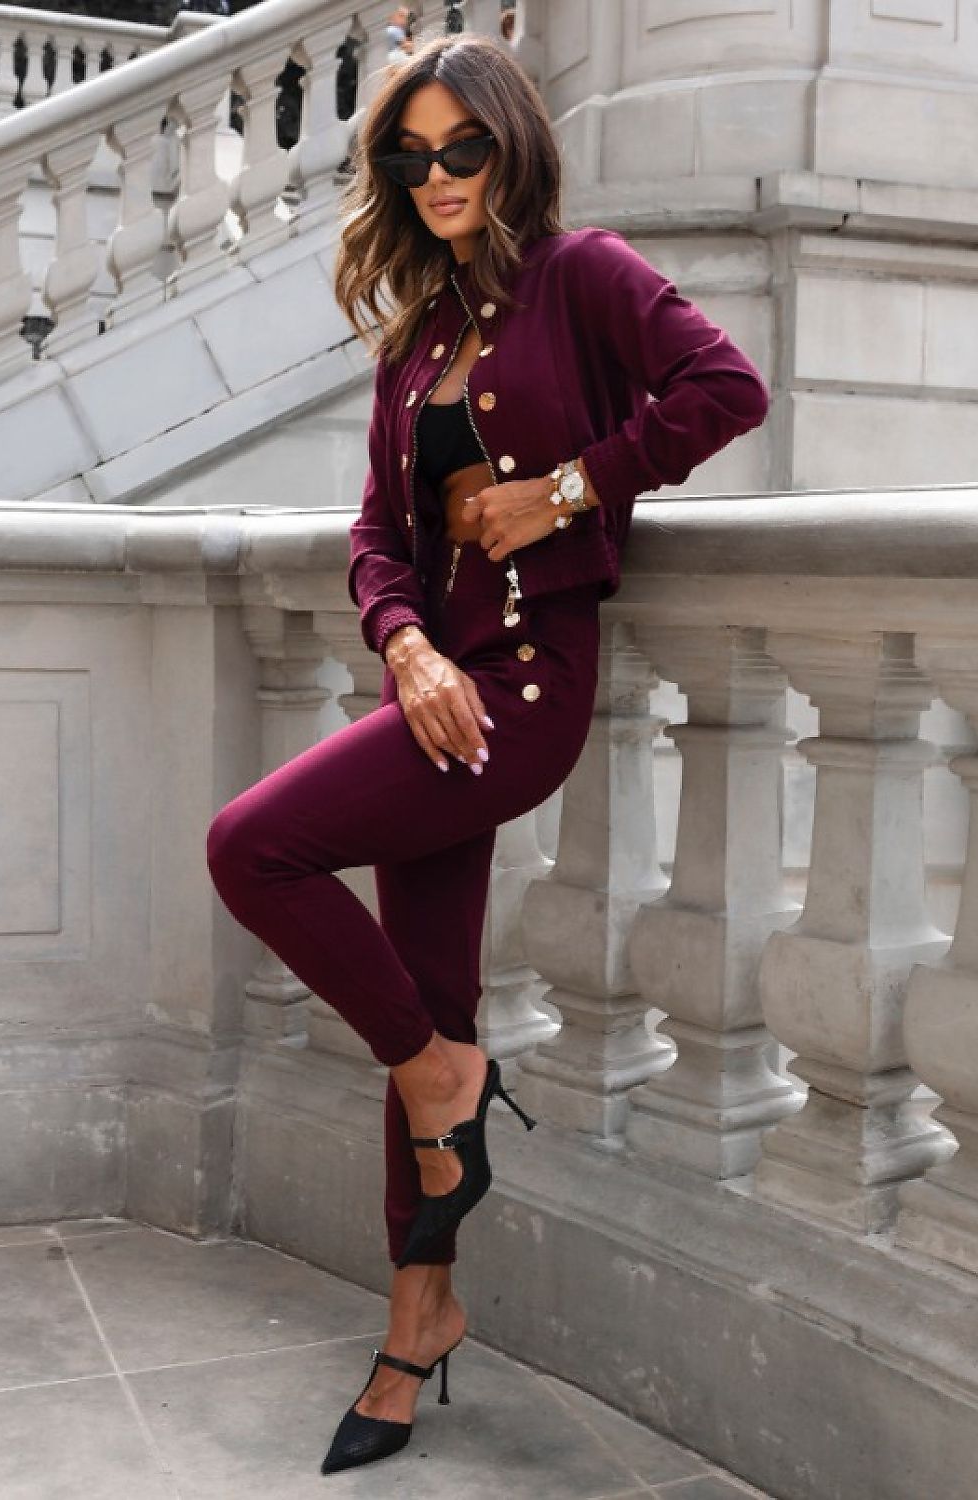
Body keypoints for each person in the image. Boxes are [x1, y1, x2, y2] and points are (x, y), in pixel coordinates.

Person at [205, 31, 769, 1478]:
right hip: (436, 690)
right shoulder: (417, 334)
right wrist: (402, 641)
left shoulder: (582, 277)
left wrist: (567, 493)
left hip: (526, 689)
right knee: (429, 994)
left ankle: (447, 1075)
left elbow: (724, 387)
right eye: (413, 154)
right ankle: (419, 1322)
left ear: (510, 146)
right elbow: (376, 537)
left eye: (463, 148)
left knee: (249, 848)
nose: (438, 175)